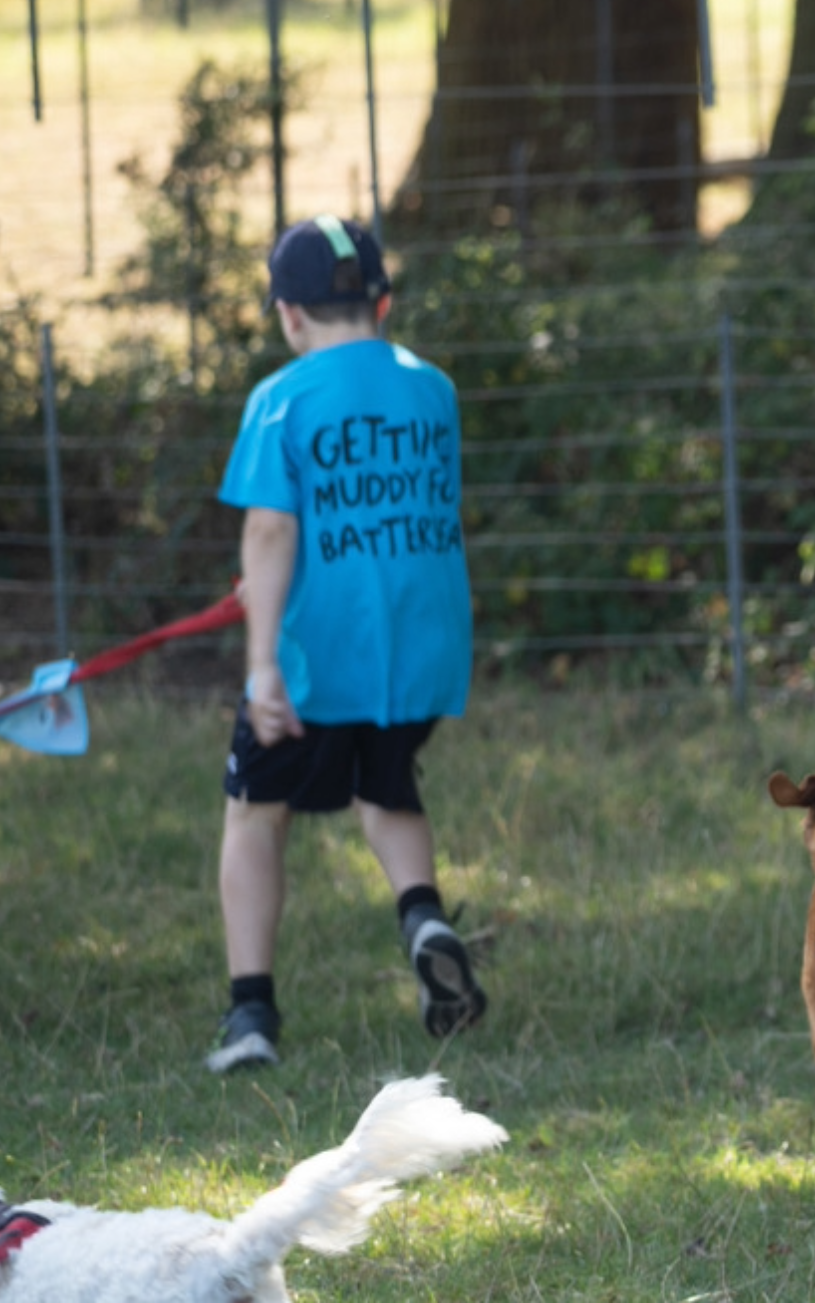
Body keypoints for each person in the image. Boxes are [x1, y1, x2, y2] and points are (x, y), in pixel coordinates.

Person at [206, 214, 487, 1073]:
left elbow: (270, 533)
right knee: (386, 786)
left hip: (314, 664)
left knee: (255, 811)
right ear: (383, 301)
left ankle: (251, 1012)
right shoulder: (430, 389)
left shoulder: (282, 399)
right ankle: (423, 916)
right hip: (418, 655)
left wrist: (261, 664)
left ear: (289, 315)